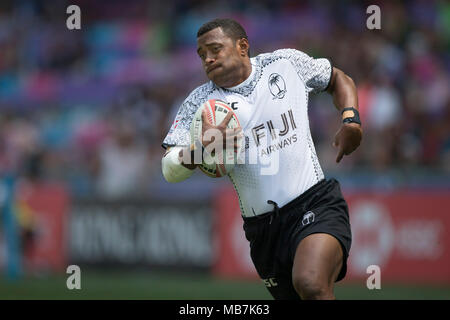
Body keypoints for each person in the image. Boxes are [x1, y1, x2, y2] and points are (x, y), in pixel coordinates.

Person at [161, 18, 362, 300]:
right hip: (264, 231)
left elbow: (339, 79)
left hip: (315, 203)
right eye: (201, 54)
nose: (208, 58)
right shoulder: (199, 102)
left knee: (311, 283)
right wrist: (198, 151)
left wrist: (351, 119)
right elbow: (169, 169)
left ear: (242, 46)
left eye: (215, 49)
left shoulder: (285, 64)